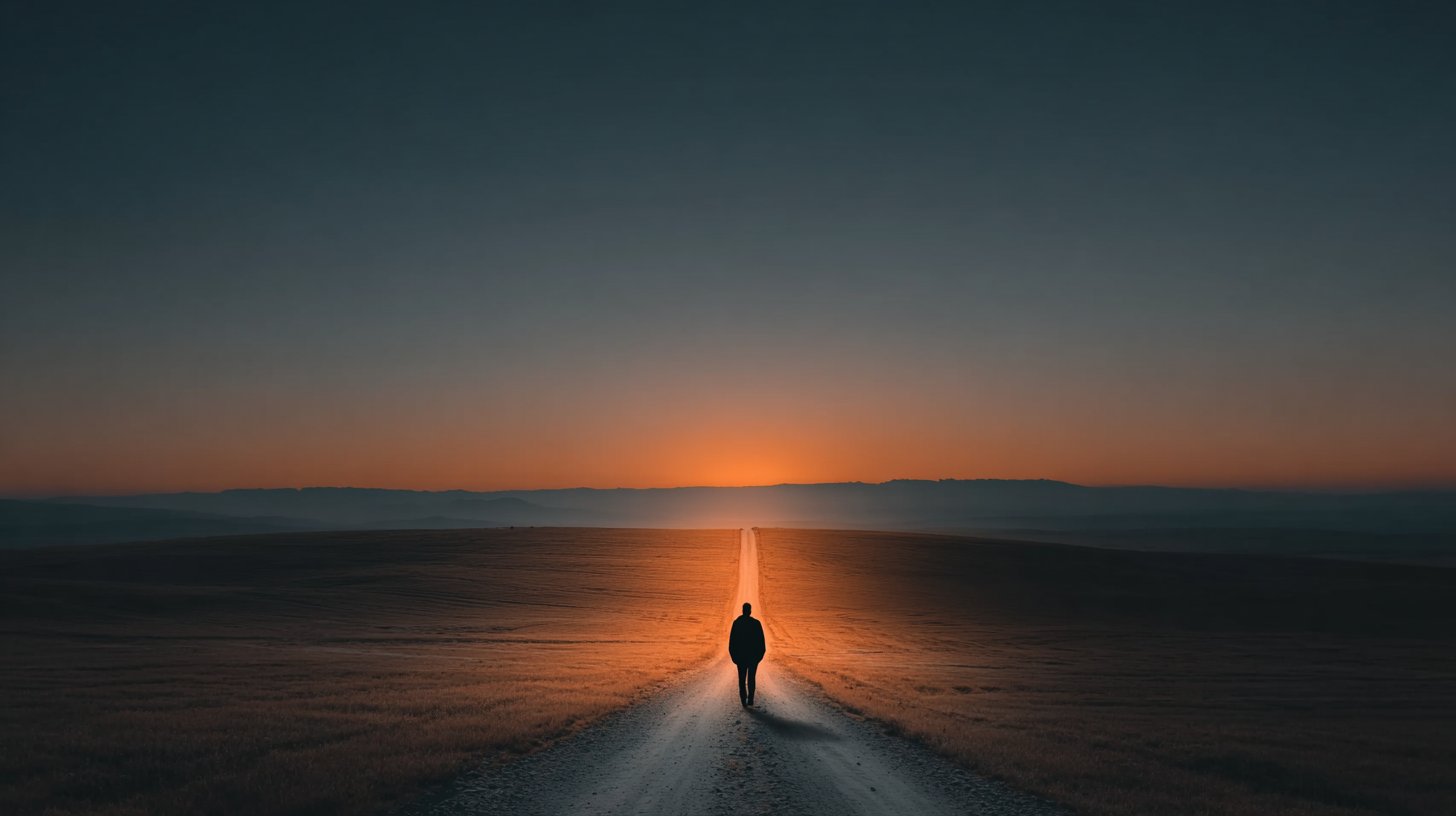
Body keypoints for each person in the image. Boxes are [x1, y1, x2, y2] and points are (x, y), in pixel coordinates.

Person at [728, 602, 766, 706]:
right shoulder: (756, 624)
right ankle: (750, 699)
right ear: (750, 611)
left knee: (742, 679)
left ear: (743, 610)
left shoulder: (737, 623)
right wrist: (759, 656)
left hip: (741, 657)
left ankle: (743, 700)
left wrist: (734, 657)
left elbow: (732, 642)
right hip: (752, 657)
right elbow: (761, 642)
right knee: (751, 678)